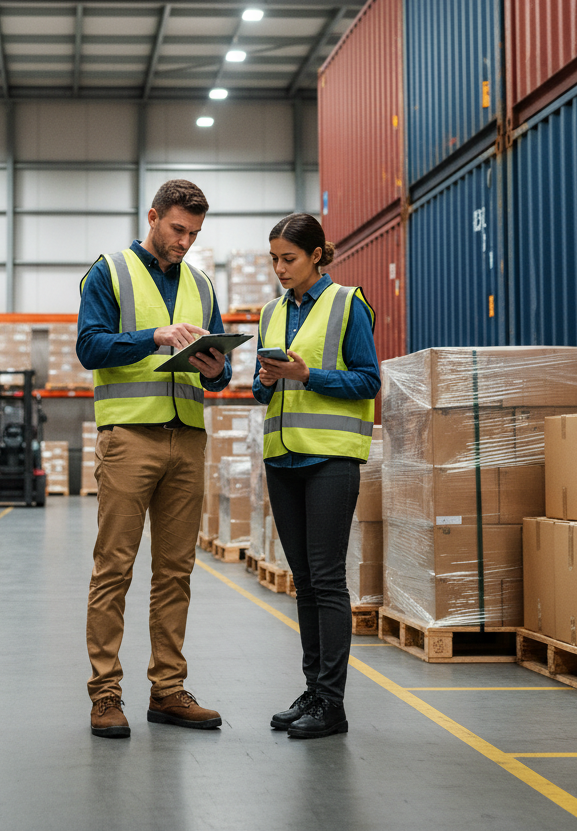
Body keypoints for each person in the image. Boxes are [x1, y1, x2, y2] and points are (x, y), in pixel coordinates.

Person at [77, 179, 232, 739]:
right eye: (176, 229)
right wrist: (155, 337)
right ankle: (105, 694)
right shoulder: (110, 271)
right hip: (129, 439)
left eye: (193, 233)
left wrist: (218, 371)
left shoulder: (201, 283)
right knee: (113, 568)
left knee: (176, 572)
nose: (184, 242)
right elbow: (89, 346)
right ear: (153, 217)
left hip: (187, 439)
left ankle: (168, 691)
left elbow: (221, 374)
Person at [252, 213, 380, 739]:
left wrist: (309, 374)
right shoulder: (270, 313)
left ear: (317, 255)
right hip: (283, 458)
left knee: (327, 579)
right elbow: (266, 394)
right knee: (303, 581)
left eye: (290, 259)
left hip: (329, 458)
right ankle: (314, 690)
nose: (280, 269)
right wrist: (265, 380)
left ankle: (333, 702)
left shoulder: (348, 303)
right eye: (274, 260)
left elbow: (369, 380)